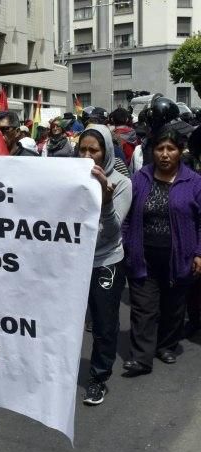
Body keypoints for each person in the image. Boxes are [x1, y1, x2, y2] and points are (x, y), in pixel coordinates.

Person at [122, 127, 201, 375]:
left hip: (181, 257)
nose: (165, 154)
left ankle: (166, 345)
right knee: (143, 308)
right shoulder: (140, 179)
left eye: (171, 149)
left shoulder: (194, 182)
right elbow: (126, 216)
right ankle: (141, 358)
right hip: (142, 256)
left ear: (180, 152)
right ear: (152, 151)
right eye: (159, 148)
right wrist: (126, 242)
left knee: (173, 305)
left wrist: (199, 252)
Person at [76, 125, 132, 405]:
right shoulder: (71, 178)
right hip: (74, 261)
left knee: (103, 323)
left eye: (93, 150)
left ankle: (98, 377)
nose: (87, 155)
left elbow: (111, 231)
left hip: (105, 261)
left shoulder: (121, 183)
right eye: (82, 149)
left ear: (106, 152)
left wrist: (106, 199)